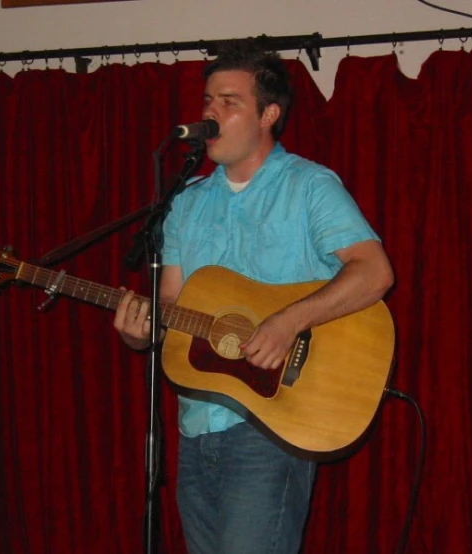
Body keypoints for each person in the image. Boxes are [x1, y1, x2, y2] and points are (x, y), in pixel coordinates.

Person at [114, 40, 394, 554]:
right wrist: (140, 334)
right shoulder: (184, 204)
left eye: (229, 101)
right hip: (197, 427)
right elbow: (170, 310)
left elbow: (374, 272)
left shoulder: (309, 187)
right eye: (207, 101)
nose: (209, 113)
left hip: (272, 420)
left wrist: (288, 321)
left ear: (269, 114)